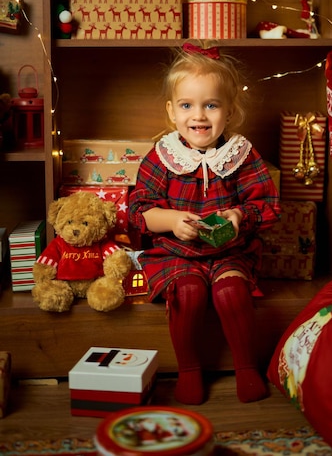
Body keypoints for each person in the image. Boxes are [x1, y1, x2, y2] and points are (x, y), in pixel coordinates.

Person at [129, 42, 280, 405]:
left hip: (230, 250)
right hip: (176, 252)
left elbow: (266, 204)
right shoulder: (163, 155)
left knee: (230, 291)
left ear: (229, 111)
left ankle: (246, 368)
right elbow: (138, 209)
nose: (199, 116)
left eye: (211, 105)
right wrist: (172, 220)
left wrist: (238, 216)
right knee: (189, 293)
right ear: (171, 111)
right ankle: (189, 370)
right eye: (187, 105)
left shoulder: (240, 154)